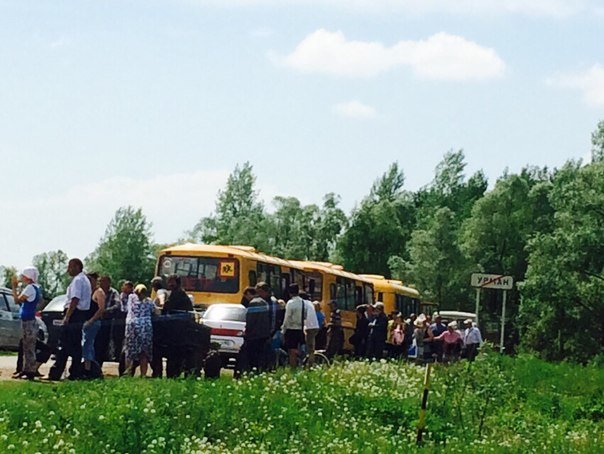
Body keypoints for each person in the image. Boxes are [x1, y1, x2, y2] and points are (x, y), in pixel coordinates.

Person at [49, 258, 91, 380]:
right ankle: (75, 372)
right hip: (81, 315)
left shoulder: (78, 280)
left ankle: (56, 373)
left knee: (64, 344)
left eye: (70, 267)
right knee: (76, 345)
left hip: (74, 313)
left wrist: (67, 316)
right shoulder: (85, 280)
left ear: (77, 267)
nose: (68, 270)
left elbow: (75, 299)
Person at [11, 267, 42, 380]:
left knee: (29, 347)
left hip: (28, 320)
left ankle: (30, 371)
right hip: (29, 319)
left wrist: (14, 287)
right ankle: (26, 369)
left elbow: (17, 300)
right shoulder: (35, 288)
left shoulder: (29, 288)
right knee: (27, 346)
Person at [163, 275, 193, 378]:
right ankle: (171, 373)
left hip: (180, 330)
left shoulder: (182, 296)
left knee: (177, 354)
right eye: (169, 282)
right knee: (172, 354)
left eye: (172, 282)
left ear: (177, 283)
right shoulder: (171, 295)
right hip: (171, 330)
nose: (170, 284)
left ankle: (176, 371)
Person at [124, 284, 156, 377]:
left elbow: (125, 308)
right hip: (145, 329)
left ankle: (128, 372)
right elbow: (155, 311)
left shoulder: (131, 298)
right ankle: (143, 374)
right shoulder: (149, 301)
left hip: (132, 327)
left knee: (130, 352)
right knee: (144, 353)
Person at [241, 287, 270, 373]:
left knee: (252, 355)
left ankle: (252, 370)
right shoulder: (264, 302)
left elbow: (251, 320)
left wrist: (246, 332)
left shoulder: (253, 303)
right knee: (260, 355)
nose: (246, 298)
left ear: (249, 294)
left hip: (254, 335)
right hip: (264, 334)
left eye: (246, 296)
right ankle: (259, 370)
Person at [82, 272, 105, 378]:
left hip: (94, 322)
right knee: (87, 345)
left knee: (88, 344)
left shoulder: (99, 292)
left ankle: (89, 369)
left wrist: (91, 320)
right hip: (87, 322)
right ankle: (88, 367)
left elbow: (101, 309)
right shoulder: (88, 291)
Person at [94, 276, 120, 368]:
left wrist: (105, 311)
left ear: (109, 283)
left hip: (107, 322)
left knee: (104, 343)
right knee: (95, 343)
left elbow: (117, 305)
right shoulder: (96, 292)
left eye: (103, 281)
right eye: (100, 281)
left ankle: (99, 365)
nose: (100, 283)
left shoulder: (113, 292)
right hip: (95, 320)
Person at [281, 284, 306, 368]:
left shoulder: (290, 303)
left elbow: (287, 317)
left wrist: (283, 330)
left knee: (291, 350)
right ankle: (301, 359)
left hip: (291, 329)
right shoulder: (303, 302)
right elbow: (305, 315)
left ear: (289, 293)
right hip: (300, 329)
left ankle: (293, 367)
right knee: (297, 348)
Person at [302, 295, 320, 367]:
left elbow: (304, 316)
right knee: (310, 346)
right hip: (314, 327)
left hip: (309, 327)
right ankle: (308, 361)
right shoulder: (310, 303)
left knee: (310, 348)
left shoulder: (304, 303)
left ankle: (310, 364)